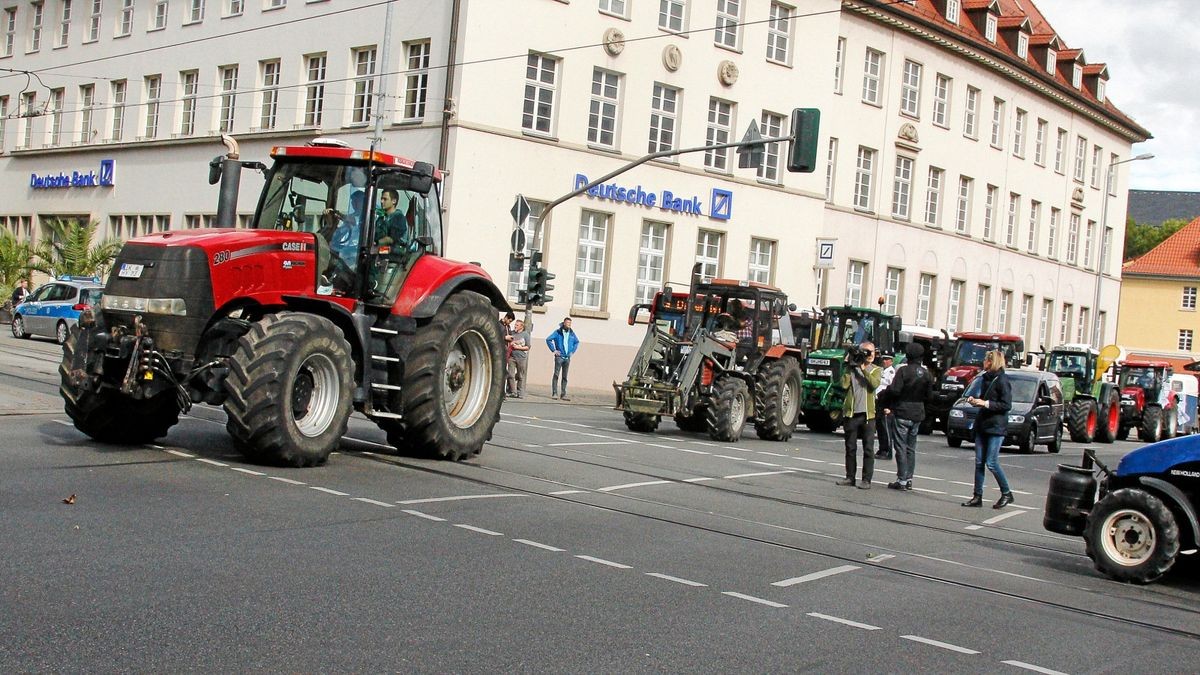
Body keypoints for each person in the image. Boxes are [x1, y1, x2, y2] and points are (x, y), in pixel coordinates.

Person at [962, 349, 1015, 509]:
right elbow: (981, 396)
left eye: (985, 360)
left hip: (996, 426)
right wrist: (974, 400)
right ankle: (977, 496)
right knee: (979, 462)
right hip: (983, 424)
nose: (982, 363)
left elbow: (1006, 405)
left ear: (991, 362)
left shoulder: (1002, 380)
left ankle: (1006, 493)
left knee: (991, 462)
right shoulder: (984, 378)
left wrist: (985, 403)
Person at [885, 342, 934, 491]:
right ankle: (909, 478)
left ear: (908, 355)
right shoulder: (926, 374)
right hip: (918, 412)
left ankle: (902, 479)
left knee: (900, 446)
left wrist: (888, 399)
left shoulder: (903, 371)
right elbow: (930, 396)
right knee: (911, 448)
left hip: (903, 410)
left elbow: (895, 390)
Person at [836, 340, 882, 489]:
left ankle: (866, 479)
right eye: (866, 352)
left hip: (867, 415)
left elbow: (874, 384)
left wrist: (863, 369)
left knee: (868, 448)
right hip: (851, 413)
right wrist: (847, 366)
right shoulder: (851, 369)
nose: (870, 355)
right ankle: (850, 477)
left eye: (872, 352)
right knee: (850, 448)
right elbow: (842, 385)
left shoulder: (875, 369)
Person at [545, 317, 579, 400]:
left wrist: (572, 351)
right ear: (564, 323)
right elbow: (548, 339)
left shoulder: (571, 333)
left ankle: (563, 394)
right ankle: (554, 393)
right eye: (567, 323)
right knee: (556, 374)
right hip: (559, 357)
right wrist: (554, 350)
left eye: (570, 323)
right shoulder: (558, 332)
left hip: (567, 357)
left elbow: (577, 342)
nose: (569, 325)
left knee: (565, 376)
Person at [874, 351, 897, 460]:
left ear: (891, 361)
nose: (884, 361)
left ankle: (887, 451)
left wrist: (889, 406)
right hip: (878, 400)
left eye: (887, 359)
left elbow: (891, 389)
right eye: (883, 359)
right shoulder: (881, 371)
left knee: (885, 427)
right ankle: (882, 448)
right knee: (880, 426)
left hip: (885, 401)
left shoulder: (891, 372)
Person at [507, 319, 531, 398]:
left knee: (520, 375)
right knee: (510, 374)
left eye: (517, 325)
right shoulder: (512, 333)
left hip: (521, 358)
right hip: (512, 357)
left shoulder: (525, 335)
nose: (515, 326)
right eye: (515, 325)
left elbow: (528, 347)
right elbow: (508, 342)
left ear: (521, 326)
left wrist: (518, 347)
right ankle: (513, 392)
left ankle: (519, 391)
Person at [500, 311, 516, 396]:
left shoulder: (508, 327)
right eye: (509, 321)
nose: (509, 323)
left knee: (505, 372)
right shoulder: (499, 325)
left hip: (507, 350)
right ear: (506, 317)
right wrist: (504, 337)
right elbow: (496, 335)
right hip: (500, 349)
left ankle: (504, 392)